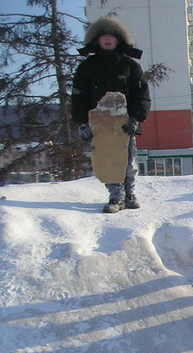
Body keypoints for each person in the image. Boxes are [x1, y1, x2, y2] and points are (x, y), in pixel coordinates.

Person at [71, 16, 151, 213]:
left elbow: (142, 94)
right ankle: (116, 196)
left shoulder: (130, 66)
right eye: (103, 36)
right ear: (96, 40)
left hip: (126, 122)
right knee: (107, 158)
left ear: (118, 40)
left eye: (111, 36)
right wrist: (83, 122)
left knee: (129, 159)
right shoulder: (87, 67)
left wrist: (135, 118)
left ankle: (130, 193)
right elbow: (79, 96)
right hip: (100, 124)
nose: (107, 40)